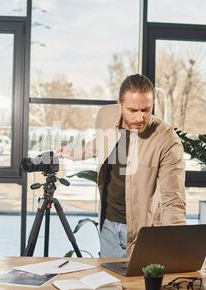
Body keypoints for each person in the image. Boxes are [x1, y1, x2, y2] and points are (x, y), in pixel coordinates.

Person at [57, 74, 186, 258]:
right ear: (120, 105)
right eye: (132, 110)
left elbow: (173, 199)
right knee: (110, 284)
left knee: (140, 286)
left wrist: (177, 244)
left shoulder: (167, 140)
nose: (140, 117)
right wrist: (74, 153)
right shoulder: (106, 116)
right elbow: (101, 142)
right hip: (108, 225)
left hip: (144, 232)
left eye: (146, 109)